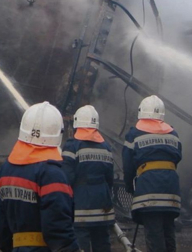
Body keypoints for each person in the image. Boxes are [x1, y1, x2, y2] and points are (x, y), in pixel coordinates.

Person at [0, 101, 79, 252]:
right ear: (57, 134)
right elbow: (58, 228)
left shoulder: (5, 171)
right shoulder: (51, 174)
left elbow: (1, 226)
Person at [123, 95, 182, 252]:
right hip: (171, 191)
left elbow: (128, 165)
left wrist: (130, 186)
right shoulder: (173, 134)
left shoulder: (134, 134)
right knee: (168, 233)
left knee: (154, 235)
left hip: (149, 191)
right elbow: (177, 158)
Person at [62, 105, 114, 252]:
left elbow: (66, 177)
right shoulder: (106, 147)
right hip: (103, 205)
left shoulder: (73, 146)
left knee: (80, 245)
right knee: (103, 243)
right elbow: (109, 178)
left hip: (81, 205)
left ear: (77, 124)